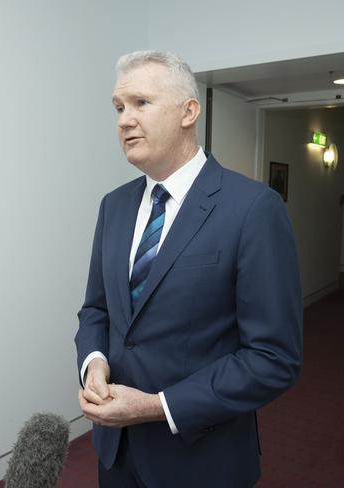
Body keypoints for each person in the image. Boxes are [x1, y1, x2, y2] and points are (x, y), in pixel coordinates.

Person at [75, 50, 303, 488]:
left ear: (188, 111)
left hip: (201, 460)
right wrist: (95, 364)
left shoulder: (253, 208)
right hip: (115, 454)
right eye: (119, 107)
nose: (124, 119)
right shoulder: (114, 206)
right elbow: (96, 311)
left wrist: (156, 406)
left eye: (141, 103)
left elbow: (273, 359)